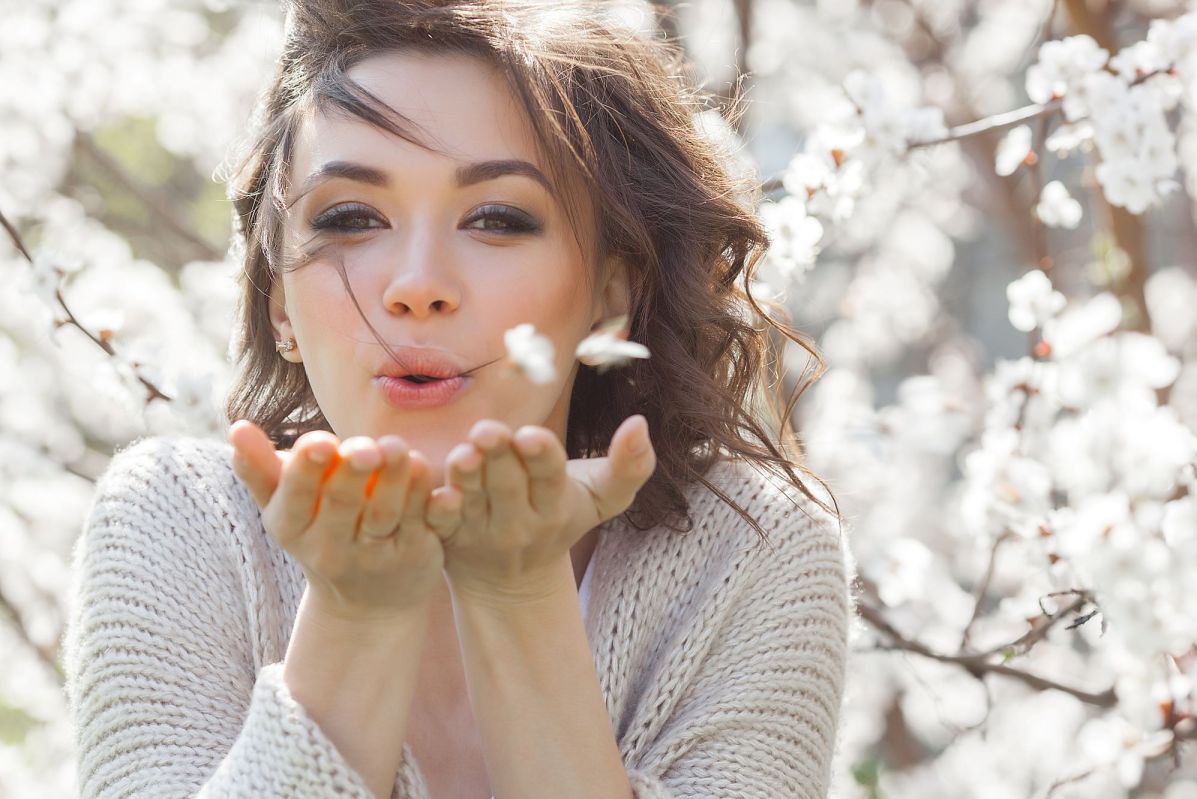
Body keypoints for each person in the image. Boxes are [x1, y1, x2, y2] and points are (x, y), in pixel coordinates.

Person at [62, 1, 857, 798]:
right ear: (278, 302)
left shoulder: (753, 552)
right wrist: (355, 615)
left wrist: (518, 590)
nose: (418, 286)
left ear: (611, 295)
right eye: (351, 217)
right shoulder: (180, 521)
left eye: (497, 219)